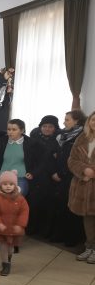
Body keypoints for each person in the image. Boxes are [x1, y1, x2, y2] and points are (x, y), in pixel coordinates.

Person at [52, 110, 86, 247]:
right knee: (60, 206)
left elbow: (76, 159)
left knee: (71, 208)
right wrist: (55, 172)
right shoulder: (61, 136)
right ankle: (60, 234)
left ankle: (72, 238)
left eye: (67, 120)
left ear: (77, 121)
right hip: (59, 175)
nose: (64, 122)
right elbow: (56, 156)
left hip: (71, 177)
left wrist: (61, 174)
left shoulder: (82, 137)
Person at [26, 115, 60, 237]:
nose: (47, 129)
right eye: (44, 126)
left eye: (50, 126)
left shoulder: (58, 141)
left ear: (55, 128)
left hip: (51, 178)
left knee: (48, 205)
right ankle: (32, 228)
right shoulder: (33, 140)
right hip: (35, 176)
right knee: (33, 204)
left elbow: (57, 160)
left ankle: (45, 232)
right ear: (40, 127)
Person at [0, 170, 29, 276]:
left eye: (11, 184)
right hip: (1, 228)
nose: (8, 186)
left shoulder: (20, 199)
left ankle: (9, 258)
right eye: (5, 184)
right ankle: (5, 264)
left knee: (11, 248)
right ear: (0, 185)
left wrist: (21, 224)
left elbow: (24, 212)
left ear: (15, 185)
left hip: (14, 228)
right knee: (3, 246)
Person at [68, 111, 95, 263]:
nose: (94, 123)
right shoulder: (82, 138)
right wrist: (84, 170)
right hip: (83, 185)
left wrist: (93, 171)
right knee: (88, 219)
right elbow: (72, 160)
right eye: (93, 120)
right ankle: (89, 247)